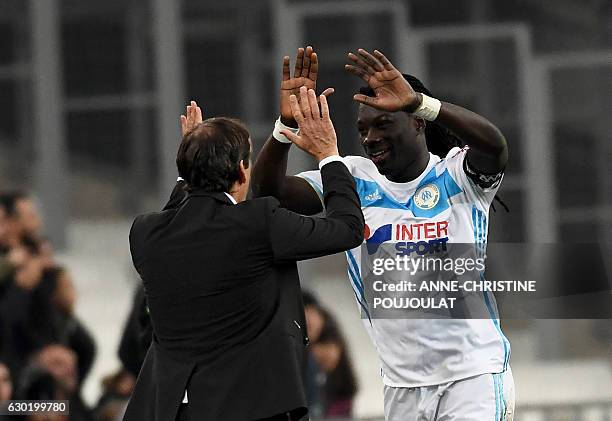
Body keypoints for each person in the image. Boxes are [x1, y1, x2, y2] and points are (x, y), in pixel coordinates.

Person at [252, 46, 514, 420]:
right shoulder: (354, 179)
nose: (370, 137)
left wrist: (424, 102)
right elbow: (268, 195)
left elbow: (496, 147)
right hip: (402, 386)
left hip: (472, 376)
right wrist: (284, 128)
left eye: (383, 124)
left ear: (417, 123)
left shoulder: (457, 175)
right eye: (362, 129)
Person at [125, 90, 364, 421]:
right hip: (250, 407)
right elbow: (347, 228)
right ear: (241, 171)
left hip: (170, 409)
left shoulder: (145, 233)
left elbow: (178, 214)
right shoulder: (258, 222)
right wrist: (329, 156)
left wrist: (192, 160)